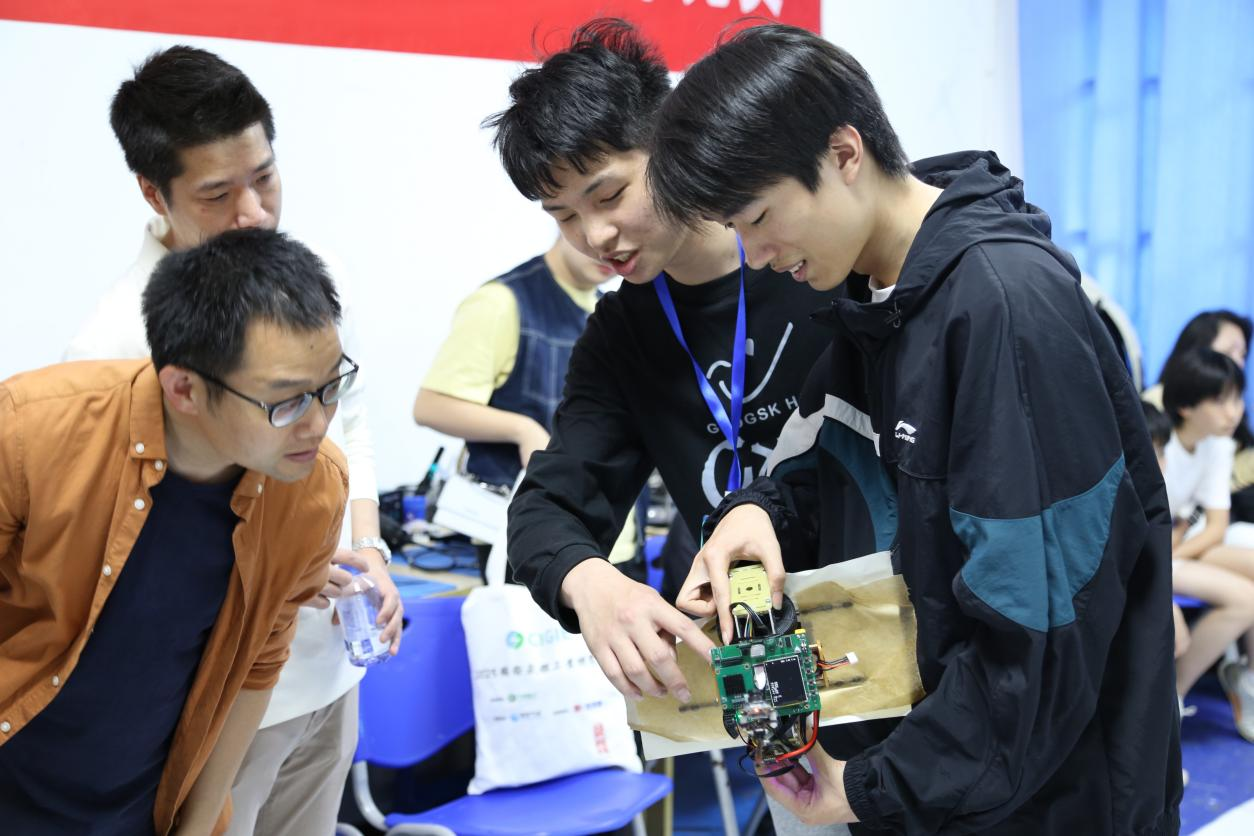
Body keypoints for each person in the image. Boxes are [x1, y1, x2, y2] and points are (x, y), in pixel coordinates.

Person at [649, 24, 1180, 834]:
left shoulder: (1001, 308)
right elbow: (821, 467)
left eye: (758, 217)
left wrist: (874, 787)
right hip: (954, 784)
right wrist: (756, 515)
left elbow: (1037, 643)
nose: (754, 256)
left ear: (844, 153)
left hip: (1049, 802)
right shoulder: (877, 303)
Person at [487, 19, 888, 712]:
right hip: (765, 664)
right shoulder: (622, 336)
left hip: (892, 626)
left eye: (609, 196)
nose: (595, 236)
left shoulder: (814, 257)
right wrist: (591, 582)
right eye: (563, 216)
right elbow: (547, 506)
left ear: (670, 147)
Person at [63, 45, 400, 836]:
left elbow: (350, 419)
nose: (253, 213)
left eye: (265, 178)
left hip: (328, 669)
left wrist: (368, 545)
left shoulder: (310, 276)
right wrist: (283, 571)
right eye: (217, 193)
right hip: (213, 697)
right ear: (155, 192)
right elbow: (120, 558)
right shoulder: (115, 345)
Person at [0, 228, 350, 835]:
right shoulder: (30, 433)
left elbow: (257, 666)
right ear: (184, 388)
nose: (318, 423)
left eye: (332, 386)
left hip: (139, 806)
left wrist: (197, 825)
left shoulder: (312, 491)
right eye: (286, 402)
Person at [413, 235, 638, 576]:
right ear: (566, 218)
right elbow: (431, 406)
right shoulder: (501, 303)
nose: (608, 248)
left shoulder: (609, 310)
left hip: (614, 537)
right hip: (535, 540)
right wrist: (522, 429)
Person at [1158, 349, 1254, 739]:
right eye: (1220, 401)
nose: (1234, 412)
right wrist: (1169, 554)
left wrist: (1177, 550)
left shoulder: (1218, 444)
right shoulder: (1158, 446)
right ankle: (1172, 697)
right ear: (1185, 406)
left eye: (1237, 398)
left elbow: (1216, 527)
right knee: (1246, 599)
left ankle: (1248, 677)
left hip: (1180, 546)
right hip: (1152, 552)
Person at [1144, 310, 1254, 522]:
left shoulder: (1220, 436)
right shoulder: (1155, 408)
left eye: (1243, 355)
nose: (1238, 363)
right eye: (1230, 352)